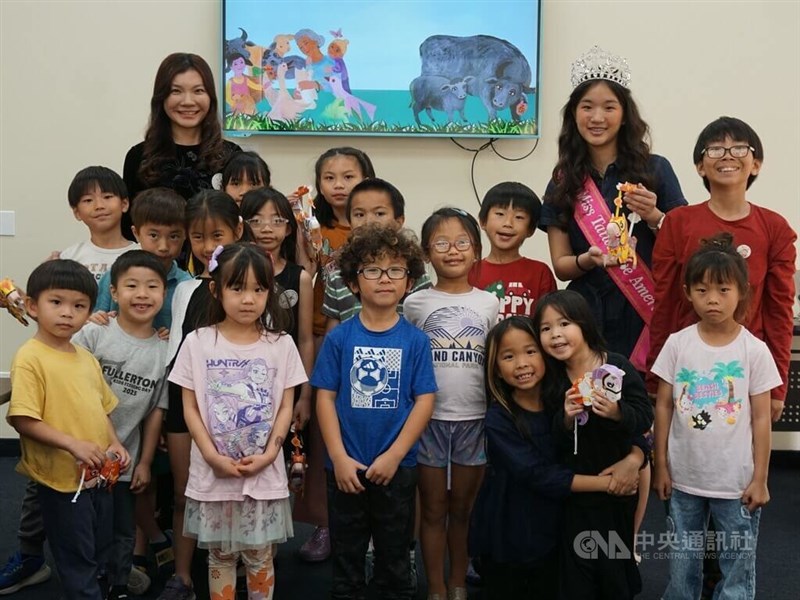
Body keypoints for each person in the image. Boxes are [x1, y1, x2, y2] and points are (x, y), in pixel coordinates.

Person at [169, 243, 306, 600]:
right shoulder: (198, 343)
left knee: (260, 557)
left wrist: (268, 454)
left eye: (259, 289)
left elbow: (285, 409)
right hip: (214, 472)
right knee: (220, 556)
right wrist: (213, 457)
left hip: (262, 472)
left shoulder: (281, 344)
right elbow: (190, 409)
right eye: (237, 288)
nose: (248, 299)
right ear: (216, 290)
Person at [469, 317, 642, 599]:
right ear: (496, 369)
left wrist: (634, 459)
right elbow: (537, 474)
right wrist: (609, 484)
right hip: (513, 528)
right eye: (508, 356)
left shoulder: (564, 399)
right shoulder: (499, 418)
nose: (522, 363)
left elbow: (624, 428)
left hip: (564, 524)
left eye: (530, 351)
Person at [540, 46, 686, 369]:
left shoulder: (656, 170)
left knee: (643, 407)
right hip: (586, 313)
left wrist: (654, 217)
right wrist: (587, 260)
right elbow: (561, 265)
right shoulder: (563, 181)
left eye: (609, 107)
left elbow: (684, 248)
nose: (597, 118)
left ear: (624, 115)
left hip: (645, 314)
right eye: (587, 107)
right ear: (573, 114)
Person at [652, 233, 780, 600]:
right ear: (688, 292)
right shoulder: (678, 343)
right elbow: (663, 405)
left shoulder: (753, 351)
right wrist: (660, 464)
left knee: (737, 563)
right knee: (682, 560)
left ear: (742, 292)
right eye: (703, 289)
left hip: (736, 483)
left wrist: (761, 478)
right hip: (683, 478)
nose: (712, 299)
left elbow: (760, 419)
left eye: (723, 289)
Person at [312, 224, 436, 600]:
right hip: (346, 468)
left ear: (409, 280)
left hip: (396, 469)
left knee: (395, 559)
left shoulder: (415, 340)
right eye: (372, 269)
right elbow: (324, 398)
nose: (385, 278)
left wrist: (396, 455)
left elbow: (424, 401)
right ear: (353, 282)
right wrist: (338, 456)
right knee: (347, 562)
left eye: (395, 270)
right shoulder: (339, 337)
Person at [647, 117, 797, 423]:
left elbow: (779, 311)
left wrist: (778, 385)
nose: (727, 155)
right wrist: (655, 377)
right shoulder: (677, 223)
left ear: (756, 163)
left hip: (746, 371)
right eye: (715, 149)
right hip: (687, 366)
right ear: (700, 166)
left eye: (739, 148)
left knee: (742, 460)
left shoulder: (775, 228)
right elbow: (663, 304)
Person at [7, 259, 130, 600]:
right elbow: (23, 418)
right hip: (62, 479)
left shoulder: (84, 356)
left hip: (97, 474)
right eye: (56, 302)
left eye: (79, 306)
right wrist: (72, 444)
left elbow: (101, 408)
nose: (67, 313)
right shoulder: (30, 357)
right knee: (75, 552)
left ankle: (99, 588)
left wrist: (115, 442)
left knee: (99, 542)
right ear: (32, 306)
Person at [403, 208, 499, 600]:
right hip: (427, 421)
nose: (453, 251)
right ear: (427, 253)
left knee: (463, 508)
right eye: (441, 243)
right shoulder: (414, 303)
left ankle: (458, 581)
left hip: (474, 419)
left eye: (462, 242)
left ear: (476, 250)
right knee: (431, 509)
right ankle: (436, 587)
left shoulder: (488, 304)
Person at [532, 290, 653, 599]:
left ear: (584, 324)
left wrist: (617, 412)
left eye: (564, 323)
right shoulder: (551, 379)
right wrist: (566, 419)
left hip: (617, 486)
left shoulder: (617, 366)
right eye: (545, 328)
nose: (555, 334)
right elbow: (548, 436)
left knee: (613, 560)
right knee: (577, 565)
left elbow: (643, 417)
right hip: (575, 489)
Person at [160, 191, 249, 600]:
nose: (209, 245)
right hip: (185, 404)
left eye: (218, 234)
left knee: (235, 492)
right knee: (185, 491)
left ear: (238, 231)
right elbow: (173, 352)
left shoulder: (250, 290)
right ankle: (183, 574)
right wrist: (164, 409)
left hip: (233, 409)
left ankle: (242, 567)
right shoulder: (184, 289)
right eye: (198, 237)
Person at [72, 251, 171, 600]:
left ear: (163, 293)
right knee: (85, 528)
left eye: (152, 286)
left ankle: (118, 584)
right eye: (131, 286)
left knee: (122, 529)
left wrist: (144, 461)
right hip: (80, 456)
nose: (142, 294)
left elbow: (156, 412)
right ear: (114, 292)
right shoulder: (95, 334)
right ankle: (90, 583)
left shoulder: (163, 351)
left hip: (125, 461)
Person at [296, 146, 375, 563]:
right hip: (325, 337)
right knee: (324, 439)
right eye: (329, 177)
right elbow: (303, 277)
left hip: (378, 344)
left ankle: (377, 528)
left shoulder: (381, 229)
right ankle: (325, 525)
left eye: (349, 175)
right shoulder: (311, 230)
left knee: (373, 431)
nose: (339, 185)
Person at [122, 53, 242, 240]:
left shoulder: (231, 156)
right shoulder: (139, 157)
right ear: (161, 98)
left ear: (211, 97)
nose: (187, 101)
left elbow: (245, 219)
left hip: (220, 265)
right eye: (176, 91)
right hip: (155, 266)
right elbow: (127, 229)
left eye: (198, 91)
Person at [240, 188, 314, 460]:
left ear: (289, 228)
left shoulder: (300, 278)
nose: (266, 228)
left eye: (277, 220)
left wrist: (304, 397)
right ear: (242, 225)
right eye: (256, 220)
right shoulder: (232, 274)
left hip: (285, 389)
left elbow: (304, 340)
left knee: (287, 465)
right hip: (242, 386)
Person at [322, 178, 432, 328]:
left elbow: (425, 325)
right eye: (359, 215)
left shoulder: (413, 273)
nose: (369, 221)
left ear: (399, 221)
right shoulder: (337, 276)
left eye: (379, 213)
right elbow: (332, 334)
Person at [91, 187, 191, 330]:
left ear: (185, 235)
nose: (163, 246)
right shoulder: (116, 275)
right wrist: (95, 319)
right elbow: (95, 317)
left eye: (173, 236)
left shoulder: (186, 285)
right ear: (136, 233)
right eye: (153, 235)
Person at [470, 182, 556, 320]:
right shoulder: (469, 272)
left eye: (519, 217)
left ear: (531, 229)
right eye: (500, 214)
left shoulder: (540, 272)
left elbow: (549, 321)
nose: (508, 223)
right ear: (483, 221)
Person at [58, 166, 139, 280]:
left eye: (107, 197)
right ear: (77, 212)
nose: (99, 206)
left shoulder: (141, 254)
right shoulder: (69, 258)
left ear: (124, 204)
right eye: (88, 200)